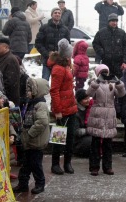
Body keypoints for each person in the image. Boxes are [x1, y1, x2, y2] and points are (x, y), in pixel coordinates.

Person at [12, 78, 50, 195]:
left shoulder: (40, 104)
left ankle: (40, 184)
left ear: (36, 91)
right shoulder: (31, 103)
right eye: (27, 90)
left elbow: (42, 122)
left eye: (30, 90)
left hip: (35, 141)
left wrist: (30, 133)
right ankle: (23, 184)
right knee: (26, 164)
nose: (27, 92)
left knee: (35, 164)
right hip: (29, 141)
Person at [87, 64, 125, 176]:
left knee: (108, 144)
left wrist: (118, 83)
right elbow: (89, 94)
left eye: (106, 72)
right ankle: (94, 167)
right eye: (102, 72)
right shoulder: (94, 83)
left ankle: (107, 167)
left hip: (109, 115)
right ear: (98, 74)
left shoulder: (112, 84)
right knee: (95, 143)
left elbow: (122, 94)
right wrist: (97, 82)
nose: (105, 75)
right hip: (97, 115)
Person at [47, 38, 78, 175]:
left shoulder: (66, 65)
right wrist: (58, 110)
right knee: (59, 138)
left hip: (70, 107)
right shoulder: (58, 68)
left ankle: (67, 163)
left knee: (70, 137)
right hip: (62, 109)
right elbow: (54, 91)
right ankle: (55, 164)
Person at [35, 7, 70, 81]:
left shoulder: (65, 29)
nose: (57, 14)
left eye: (59, 13)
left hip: (60, 61)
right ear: (52, 15)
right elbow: (38, 43)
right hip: (47, 60)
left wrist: (63, 57)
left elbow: (68, 45)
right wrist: (47, 54)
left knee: (58, 83)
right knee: (44, 81)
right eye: (55, 13)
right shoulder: (44, 28)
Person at [92, 13, 126, 78]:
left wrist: (125, 61)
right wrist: (102, 53)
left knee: (118, 84)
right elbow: (95, 44)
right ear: (109, 22)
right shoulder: (101, 32)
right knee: (105, 83)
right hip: (105, 62)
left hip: (119, 64)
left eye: (116, 21)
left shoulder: (122, 33)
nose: (115, 23)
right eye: (113, 21)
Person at [0, 37, 20, 106]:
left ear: (6, 47)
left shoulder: (10, 60)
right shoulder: (1, 59)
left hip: (8, 102)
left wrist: (4, 100)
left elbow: (10, 84)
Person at [73, 89, 93, 158]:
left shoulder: (88, 109)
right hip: (77, 141)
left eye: (88, 98)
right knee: (91, 141)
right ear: (79, 100)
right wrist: (89, 130)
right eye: (85, 99)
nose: (88, 100)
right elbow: (76, 131)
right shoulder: (76, 113)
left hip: (86, 136)